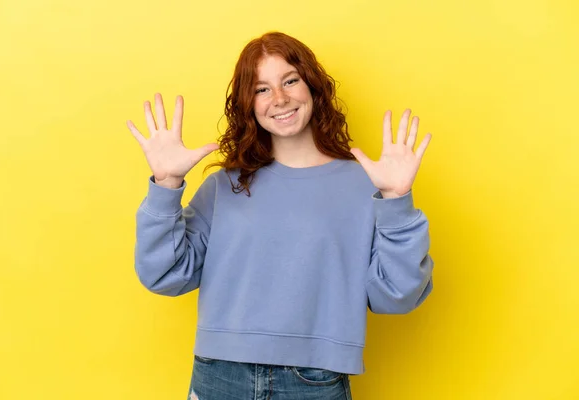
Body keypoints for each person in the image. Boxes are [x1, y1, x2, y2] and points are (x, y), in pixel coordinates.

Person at [127, 31, 434, 400]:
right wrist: (166, 184)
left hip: (315, 382)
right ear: (248, 103)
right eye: (262, 89)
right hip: (220, 374)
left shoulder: (365, 184)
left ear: (313, 88)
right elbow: (164, 274)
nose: (280, 98)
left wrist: (397, 199)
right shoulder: (225, 186)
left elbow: (396, 296)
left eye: (290, 80)